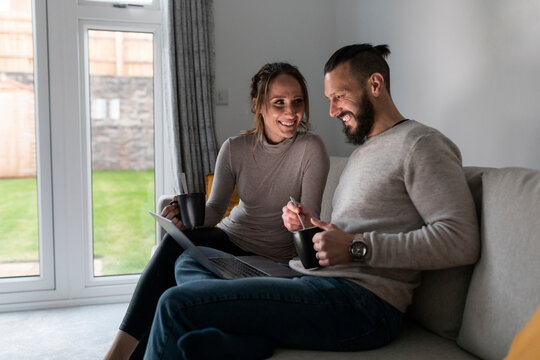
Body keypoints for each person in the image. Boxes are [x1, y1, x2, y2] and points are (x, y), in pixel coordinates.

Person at [143, 44, 480, 360]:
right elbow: (352, 234)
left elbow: (460, 240)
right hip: (317, 281)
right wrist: (311, 228)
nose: (331, 110)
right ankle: (249, 339)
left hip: (362, 305)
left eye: (339, 97)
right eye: (328, 100)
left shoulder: (421, 144)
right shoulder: (365, 153)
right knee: (188, 262)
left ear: (375, 84)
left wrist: (356, 247)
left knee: (176, 304)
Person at [103, 62, 330, 360]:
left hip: (272, 258)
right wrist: (185, 217)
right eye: (279, 103)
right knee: (174, 245)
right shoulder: (235, 148)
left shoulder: (311, 149)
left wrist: (298, 221)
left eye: (297, 102)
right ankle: (117, 354)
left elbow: (308, 223)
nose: (291, 112)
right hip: (228, 239)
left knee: (183, 286)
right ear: (257, 105)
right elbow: (214, 211)